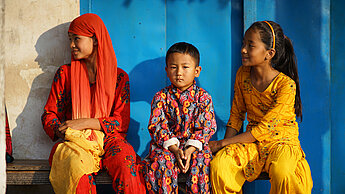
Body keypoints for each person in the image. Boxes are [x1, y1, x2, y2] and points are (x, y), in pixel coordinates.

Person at [41, 13, 146, 194]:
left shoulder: (118, 78)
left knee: (126, 163)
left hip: (110, 139)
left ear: (95, 40)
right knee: (75, 168)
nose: (72, 45)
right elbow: (49, 114)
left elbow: (121, 122)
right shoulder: (65, 75)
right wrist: (61, 128)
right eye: (70, 39)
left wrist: (85, 122)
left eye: (77, 39)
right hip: (76, 142)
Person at [209, 21, 313, 194]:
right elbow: (236, 115)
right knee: (220, 165)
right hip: (253, 145)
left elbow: (265, 129)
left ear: (269, 53)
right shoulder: (242, 74)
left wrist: (221, 142)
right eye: (243, 44)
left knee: (284, 172)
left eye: (251, 45)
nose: (243, 49)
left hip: (282, 144)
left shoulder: (286, 85)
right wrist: (224, 149)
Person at [144, 42, 217, 193]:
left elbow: (207, 127)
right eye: (173, 67)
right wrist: (175, 149)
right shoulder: (161, 97)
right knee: (162, 161)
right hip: (167, 148)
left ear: (197, 71)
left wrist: (190, 149)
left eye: (185, 67)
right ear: (166, 70)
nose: (179, 72)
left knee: (203, 161)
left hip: (195, 147)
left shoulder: (203, 98)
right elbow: (157, 126)